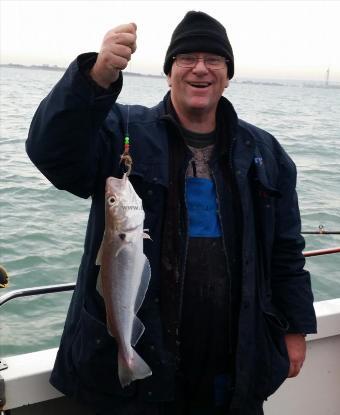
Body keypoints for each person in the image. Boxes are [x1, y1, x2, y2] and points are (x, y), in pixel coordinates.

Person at [26, 11, 317, 415]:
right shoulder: (120, 131)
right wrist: (95, 79)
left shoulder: (264, 151)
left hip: (234, 362)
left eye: (214, 59)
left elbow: (286, 251)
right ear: (168, 72)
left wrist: (296, 329)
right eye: (187, 58)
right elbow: (50, 151)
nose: (201, 69)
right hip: (142, 375)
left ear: (228, 75)